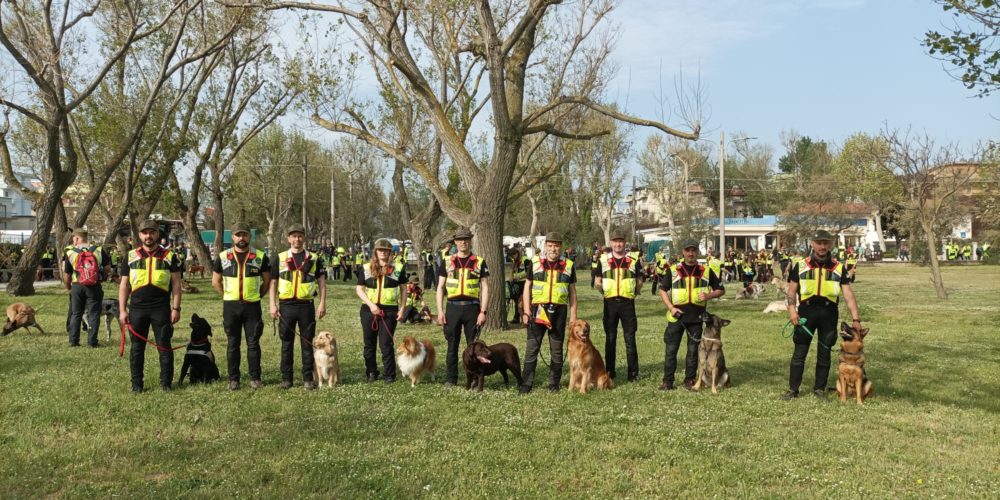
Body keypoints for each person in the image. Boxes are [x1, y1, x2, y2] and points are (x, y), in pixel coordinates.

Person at [782, 230, 862, 400]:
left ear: (831, 245)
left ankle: (819, 389)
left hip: (829, 313)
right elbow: (791, 291)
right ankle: (793, 390)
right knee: (799, 352)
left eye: (826, 243)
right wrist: (792, 310)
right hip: (806, 312)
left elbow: (848, 295)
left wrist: (856, 319)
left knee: (824, 354)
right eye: (819, 243)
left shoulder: (839, 268)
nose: (822, 246)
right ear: (812, 243)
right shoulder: (801, 265)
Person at [118, 219, 183, 393]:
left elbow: (176, 284)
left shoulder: (169, 256)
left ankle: (166, 384)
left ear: (157, 234)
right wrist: (123, 310)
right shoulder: (130, 256)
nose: (148, 236)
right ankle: (137, 385)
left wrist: (176, 308)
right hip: (137, 308)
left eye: (152, 232)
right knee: (137, 349)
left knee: (164, 346)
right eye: (145, 232)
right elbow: (124, 285)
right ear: (139, 235)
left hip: (161, 308)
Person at [657, 240, 725, 391]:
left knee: (693, 351)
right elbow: (662, 290)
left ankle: (690, 379)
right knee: (671, 350)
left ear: (697, 252)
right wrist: (671, 307)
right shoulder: (674, 270)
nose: (691, 253)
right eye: (688, 250)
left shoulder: (706, 271)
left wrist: (709, 295)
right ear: (683, 252)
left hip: (696, 318)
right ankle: (667, 381)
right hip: (677, 317)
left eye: (693, 250)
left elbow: (721, 290)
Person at [212, 223, 270, 390]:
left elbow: (266, 282)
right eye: (238, 235)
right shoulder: (223, 256)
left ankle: (255, 378)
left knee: (253, 343)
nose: (241, 238)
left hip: (252, 306)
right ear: (233, 237)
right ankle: (233, 379)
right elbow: (215, 282)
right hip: (231, 306)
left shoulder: (260, 256)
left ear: (249, 237)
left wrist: (258, 295)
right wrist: (227, 296)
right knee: (232, 343)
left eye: (244, 235)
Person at [268, 223, 327, 390]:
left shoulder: (314, 258)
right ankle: (287, 379)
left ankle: (308, 378)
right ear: (288, 238)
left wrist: (322, 303)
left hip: (306, 305)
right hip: (286, 306)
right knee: (286, 344)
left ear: (304, 238)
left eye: (300, 236)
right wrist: (272, 304)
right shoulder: (279, 258)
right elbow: (273, 282)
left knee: (307, 343)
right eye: (293, 236)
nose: (297, 239)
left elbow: (321, 282)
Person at [520, 232, 577, 393]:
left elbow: (573, 293)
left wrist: (573, 316)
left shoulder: (569, 265)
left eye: (556, 246)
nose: (553, 249)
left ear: (561, 247)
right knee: (532, 349)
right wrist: (525, 311)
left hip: (559, 311)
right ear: (545, 246)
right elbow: (527, 288)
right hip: (538, 310)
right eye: (550, 246)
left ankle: (554, 384)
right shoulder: (535, 262)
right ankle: (526, 384)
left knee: (557, 351)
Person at [435, 229, 490, 387]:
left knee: (473, 346)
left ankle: (473, 378)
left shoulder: (479, 261)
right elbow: (440, 287)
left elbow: (485, 287)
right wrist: (440, 311)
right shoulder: (447, 261)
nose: (463, 242)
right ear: (455, 242)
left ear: (470, 241)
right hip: (452, 308)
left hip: (472, 308)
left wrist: (483, 311)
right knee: (452, 344)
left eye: (466, 239)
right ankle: (451, 379)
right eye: (459, 240)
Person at [594, 231, 644, 382]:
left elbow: (640, 280)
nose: (618, 244)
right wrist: (605, 293)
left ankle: (633, 374)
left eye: (621, 241)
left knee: (630, 339)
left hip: (627, 303)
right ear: (611, 242)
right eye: (615, 241)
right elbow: (597, 281)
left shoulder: (633, 259)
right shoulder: (603, 260)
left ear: (625, 242)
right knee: (610, 339)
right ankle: (610, 372)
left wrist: (633, 293)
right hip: (609, 303)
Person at [356, 238, 406, 383]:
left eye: (386, 250)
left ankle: (389, 375)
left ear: (390, 252)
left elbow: (403, 289)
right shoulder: (366, 268)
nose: (383, 252)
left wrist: (402, 309)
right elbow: (359, 289)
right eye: (380, 250)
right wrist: (371, 305)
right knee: (369, 344)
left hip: (389, 312)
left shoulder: (398, 268)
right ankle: (371, 372)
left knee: (386, 344)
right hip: (368, 310)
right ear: (376, 252)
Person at [63, 228, 112, 348]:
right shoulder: (98, 250)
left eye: (73, 238)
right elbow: (107, 268)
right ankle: (92, 342)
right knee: (94, 313)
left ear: (76, 238)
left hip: (77, 286)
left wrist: (68, 287)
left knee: (76, 313)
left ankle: (74, 341)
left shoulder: (70, 252)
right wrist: (103, 278)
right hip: (94, 285)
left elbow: (67, 274)